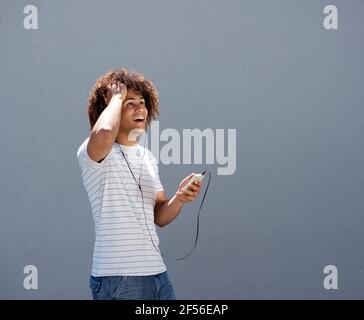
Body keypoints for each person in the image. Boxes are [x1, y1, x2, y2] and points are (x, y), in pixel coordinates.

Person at [76, 68, 202, 300]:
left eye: (142, 102)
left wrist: (180, 197)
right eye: (129, 103)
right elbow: (104, 131)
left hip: (157, 275)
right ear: (110, 109)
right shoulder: (93, 151)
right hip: (119, 278)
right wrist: (115, 97)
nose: (140, 109)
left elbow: (160, 217)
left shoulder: (147, 157)